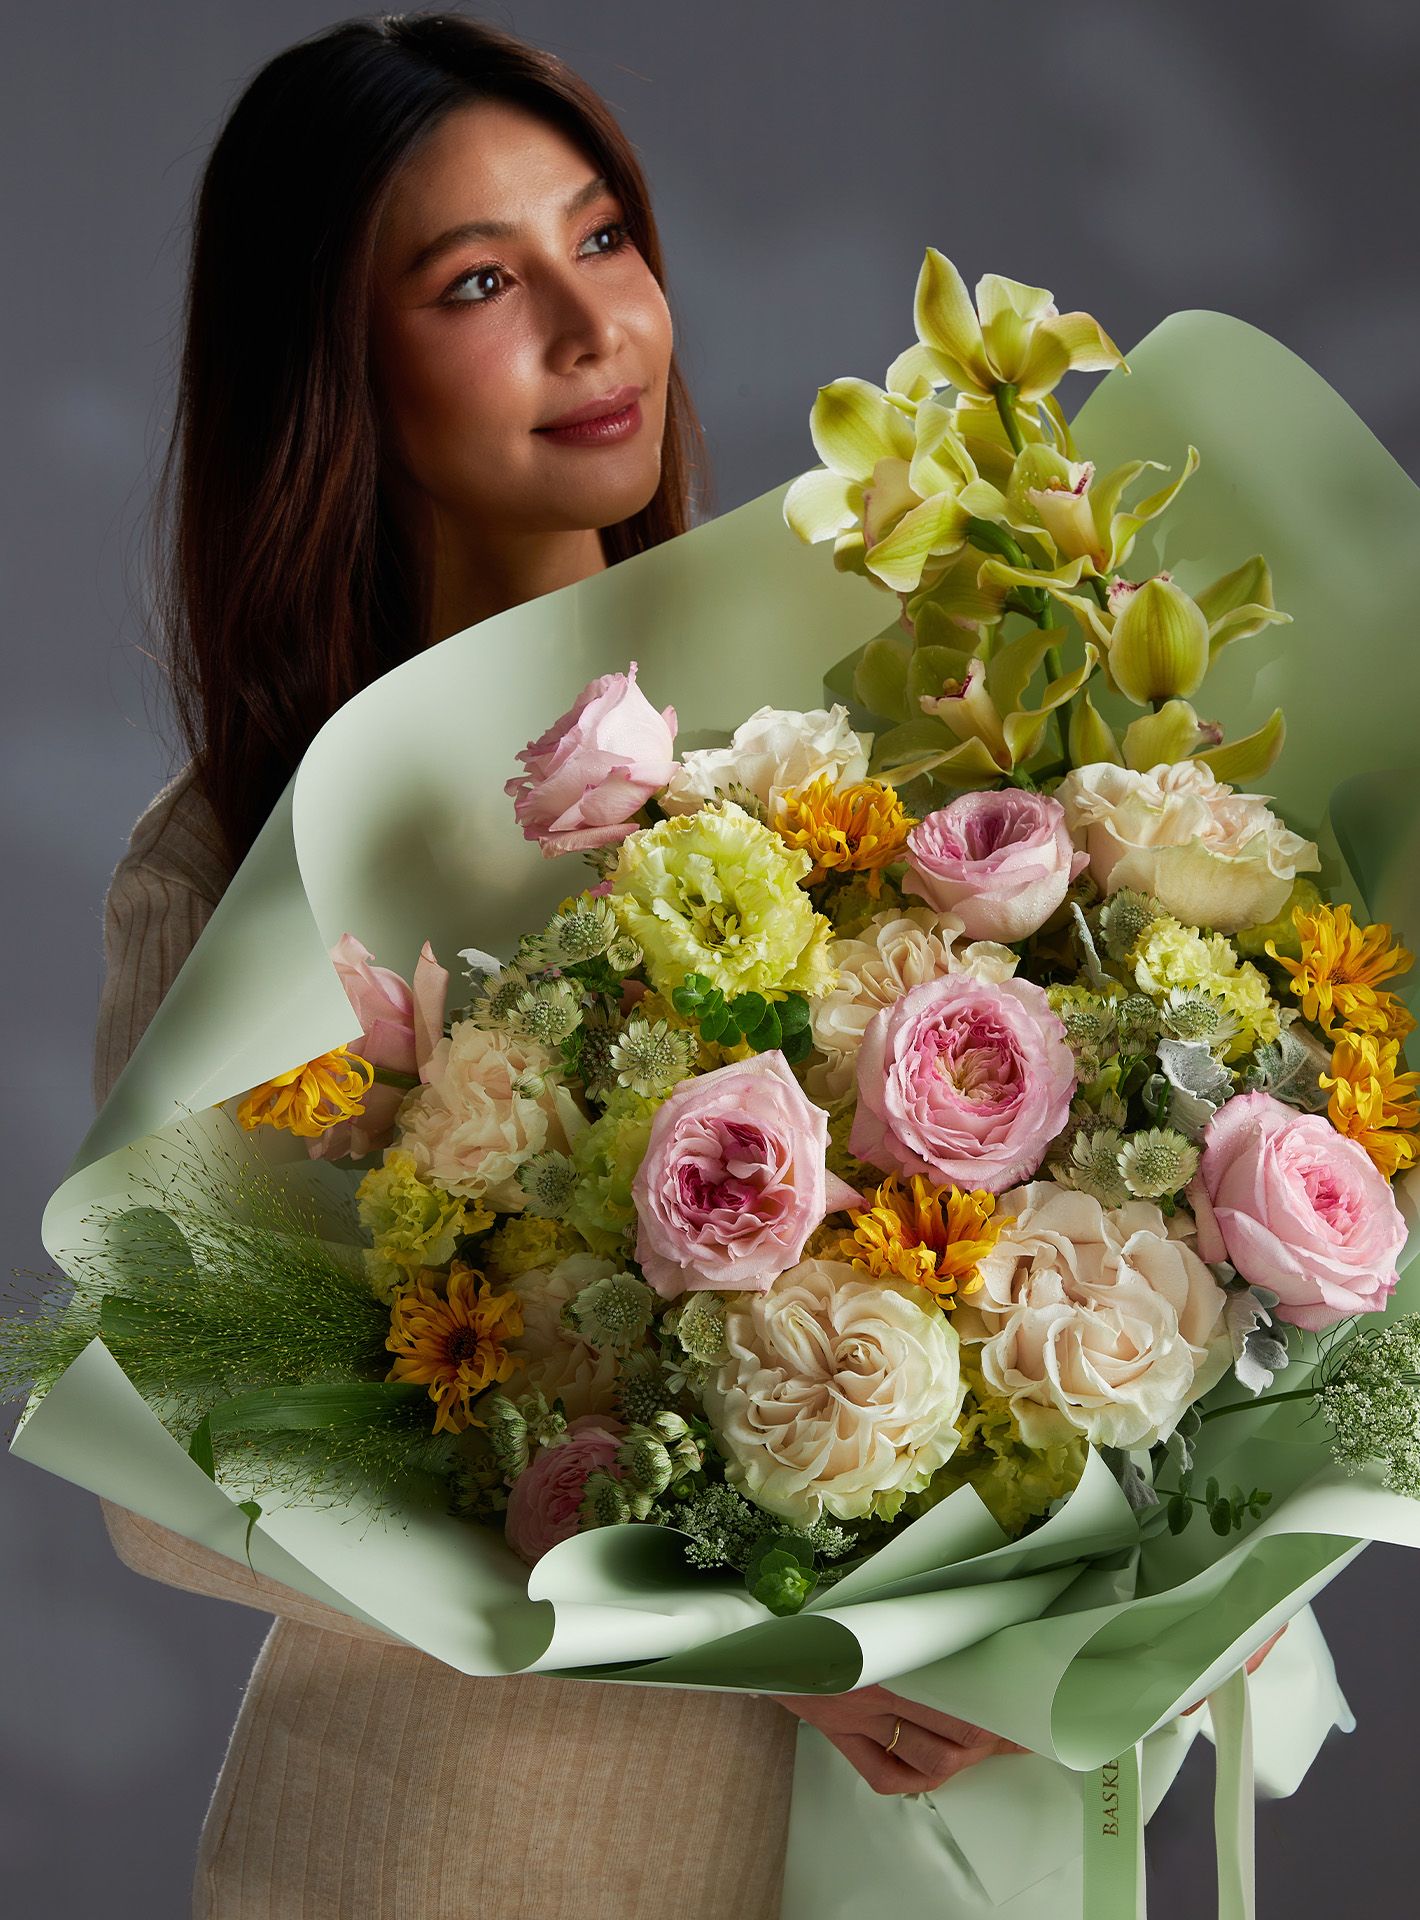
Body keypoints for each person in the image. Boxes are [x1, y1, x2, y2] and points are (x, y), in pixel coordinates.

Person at [89, 14, 1170, 1914]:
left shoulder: (883, 730)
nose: (596, 330)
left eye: (603, 239)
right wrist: (741, 1619)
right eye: (481, 282)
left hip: (927, 1844)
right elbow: (167, 1481)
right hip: (461, 1857)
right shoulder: (249, 854)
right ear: (332, 367)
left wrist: (1145, 1567)